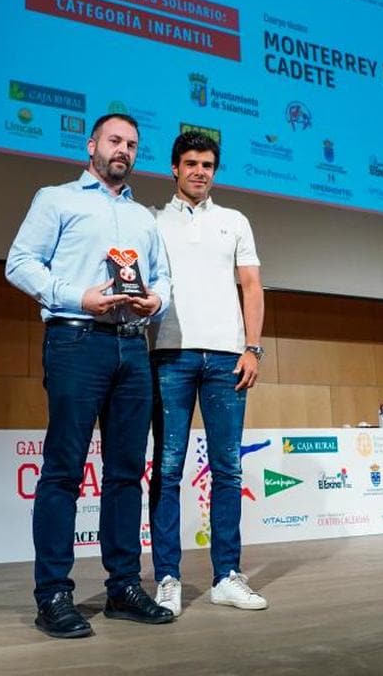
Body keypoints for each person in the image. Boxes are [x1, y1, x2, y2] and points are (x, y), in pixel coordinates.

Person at [6, 113, 176, 638]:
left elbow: (163, 276)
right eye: (114, 140)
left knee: (127, 474)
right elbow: (19, 262)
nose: (123, 150)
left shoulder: (145, 219)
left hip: (131, 346)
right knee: (62, 471)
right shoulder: (56, 198)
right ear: (92, 145)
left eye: (131, 144)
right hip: (76, 340)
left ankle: (124, 586)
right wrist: (76, 296)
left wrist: (155, 300)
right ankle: (54, 595)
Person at [149, 130, 268, 616]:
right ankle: (168, 579)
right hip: (169, 355)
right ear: (174, 168)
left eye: (208, 165)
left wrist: (253, 348)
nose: (200, 171)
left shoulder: (234, 220)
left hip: (226, 359)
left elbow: (253, 286)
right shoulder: (151, 221)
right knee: (168, 468)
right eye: (191, 163)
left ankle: (226, 576)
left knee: (228, 469)